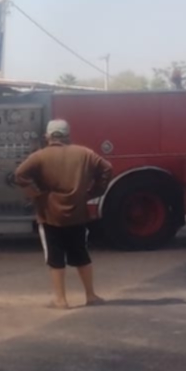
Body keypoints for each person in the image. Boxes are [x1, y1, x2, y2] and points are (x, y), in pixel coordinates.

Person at [13, 119, 113, 309]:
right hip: (78, 214)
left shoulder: (39, 156)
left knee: (55, 256)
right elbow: (107, 168)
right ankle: (91, 295)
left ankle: (60, 300)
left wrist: (37, 194)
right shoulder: (85, 153)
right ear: (68, 135)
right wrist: (93, 192)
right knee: (81, 253)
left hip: (50, 214)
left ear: (48, 136)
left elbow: (19, 174)